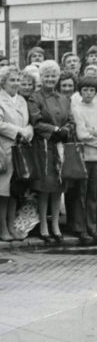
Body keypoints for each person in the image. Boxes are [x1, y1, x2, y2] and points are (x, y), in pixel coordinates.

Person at [0, 66, 34, 241]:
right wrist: (20, 131)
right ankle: (2, 227)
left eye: (17, 80)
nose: (15, 84)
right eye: (11, 80)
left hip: (20, 150)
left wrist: (28, 130)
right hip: (4, 149)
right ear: (3, 83)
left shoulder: (21, 100)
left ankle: (11, 225)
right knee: (1, 190)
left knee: (15, 189)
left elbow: (28, 122)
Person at [28, 60, 74, 244]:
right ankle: (43, 226)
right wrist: (54, 131)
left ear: (57, 77)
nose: (50, 79)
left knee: (58, 187)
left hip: (60, 146)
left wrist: (66, 130)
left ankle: (55, 224)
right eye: (46, 75)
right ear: (41, 77)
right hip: (43, 147)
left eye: (53, 75)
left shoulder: (63, 98)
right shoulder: (35, 97)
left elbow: (70, 119)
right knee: (45, 187)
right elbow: (36, 121)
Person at [72, 76, 97, 245]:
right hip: (83, 156)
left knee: (93, 194)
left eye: (92, 90)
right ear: (80, 91)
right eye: (85, 90)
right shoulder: (77, 108)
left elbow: (90, 133)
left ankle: (92, 225)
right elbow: (82, 134)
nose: (88, 93)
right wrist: (92, 134)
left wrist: (92, 133)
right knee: (81, 192)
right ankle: (80, 228)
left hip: (95, 157)